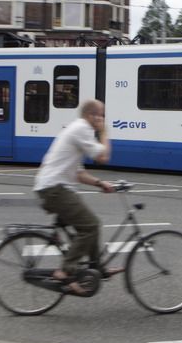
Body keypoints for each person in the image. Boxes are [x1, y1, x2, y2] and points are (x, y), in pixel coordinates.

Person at [34, 99, 123, 295]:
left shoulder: (79, 130)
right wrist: (105, 131)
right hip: (55, 189)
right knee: (90, 226)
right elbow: (103, 157)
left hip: (53, 187)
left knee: (91, 225)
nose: (102, 119)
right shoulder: (81, 128)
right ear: (92, 115)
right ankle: (65, 271)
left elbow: (78, 174)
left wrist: (100, 183)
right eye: (101, 115)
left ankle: (96, 269)